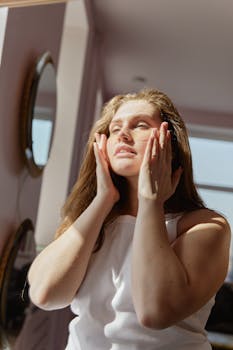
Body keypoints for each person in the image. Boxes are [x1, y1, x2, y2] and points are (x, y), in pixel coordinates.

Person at [28, 88, 231, 349]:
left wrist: (151, 201)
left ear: (171, 142)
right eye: (114, 129)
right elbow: (44, 294)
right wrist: (103, 199)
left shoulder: (206, 226)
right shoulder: (94, 222)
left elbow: (155, 312)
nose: (123, 134)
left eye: (140, 125)